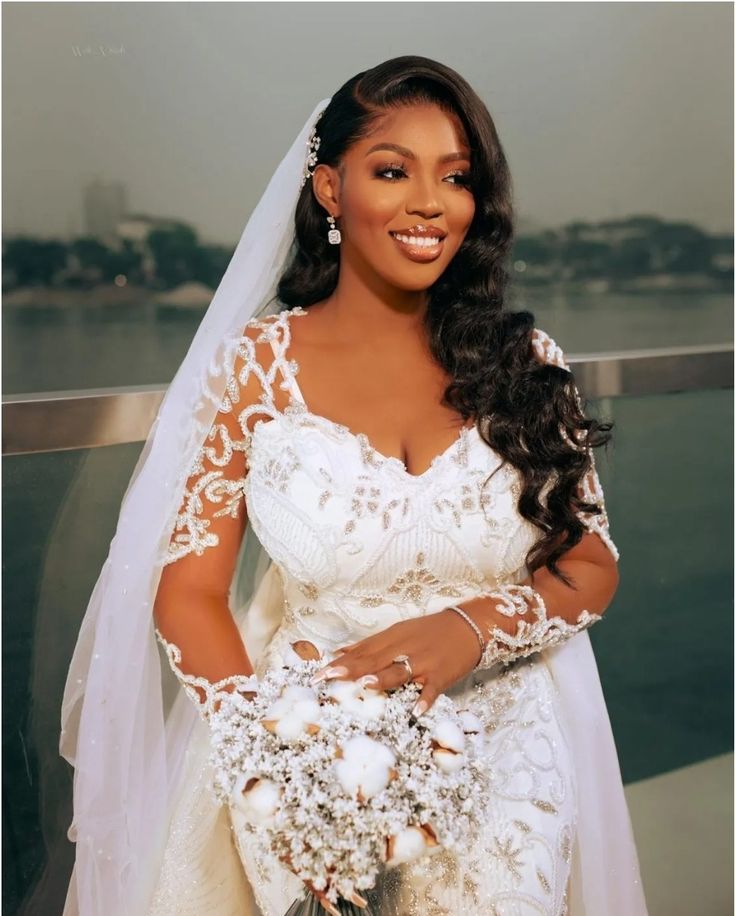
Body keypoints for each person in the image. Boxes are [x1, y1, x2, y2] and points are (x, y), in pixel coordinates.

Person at [60, 55, 648, 916]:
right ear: (330, 190)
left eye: (455, 177)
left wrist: (472, 627)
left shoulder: (525, 366)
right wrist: (268, 765)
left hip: (510, 742)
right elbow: (187, 593)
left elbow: (589, 564)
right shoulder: (254, 368)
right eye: (390, 171)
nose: (428, 203)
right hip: (304, 741)